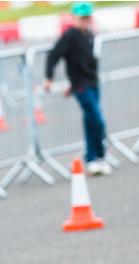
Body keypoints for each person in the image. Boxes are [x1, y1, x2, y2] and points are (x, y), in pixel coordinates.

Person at [45, 1, 112, 176]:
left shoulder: (89, 33)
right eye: (82, 18)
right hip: (82, 86)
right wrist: (49, 77)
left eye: (87, 17)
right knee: (97, 121)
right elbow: (54, 55)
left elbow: (84, 61)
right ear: (74, 18)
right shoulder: (70, 35)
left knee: (90, 122)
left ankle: (92, 159)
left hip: (92, 82)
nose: (85, 21)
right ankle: (99, 156)